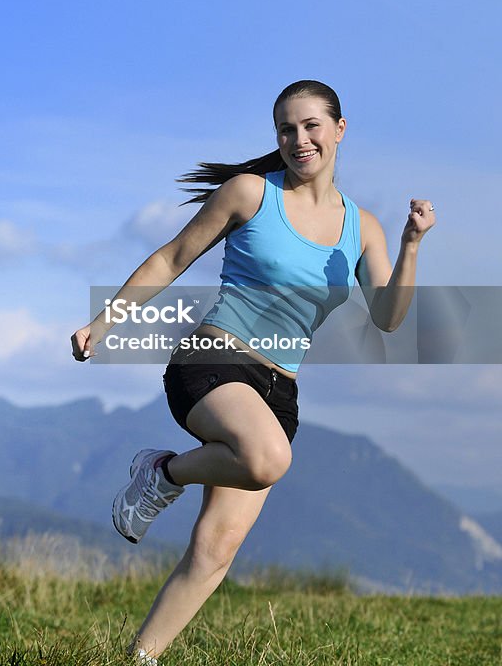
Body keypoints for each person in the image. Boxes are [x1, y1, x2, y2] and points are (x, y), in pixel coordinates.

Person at [70, 80, 435, 665]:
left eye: (312, 125)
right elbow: (171, 255)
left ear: (340, 130)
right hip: (212, 362)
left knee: (215, 550)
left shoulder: (361, 228)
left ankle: (138, 660)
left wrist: (412, 244)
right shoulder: (249, 193)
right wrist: (104, 322)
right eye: (287, 129)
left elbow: (390, 318)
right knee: (267, 459)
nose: (299, 139)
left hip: (279, 391)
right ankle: (163, 472)